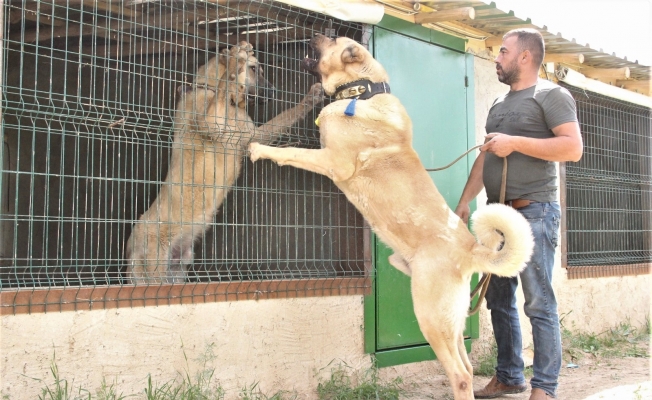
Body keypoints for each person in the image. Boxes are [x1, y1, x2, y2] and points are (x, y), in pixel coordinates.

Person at [454, 28, 583, 400]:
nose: (497, 57)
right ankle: (510, 375)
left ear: (525, 57)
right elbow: (485, 155)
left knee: (538, 302)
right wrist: (465, 201)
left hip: (535, 214)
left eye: (504, 52)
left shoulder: (552, 95)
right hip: (497, 218)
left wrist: (515, 143)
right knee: (498, 299)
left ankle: (544, 388)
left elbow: (572, 148)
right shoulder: (498, 104)